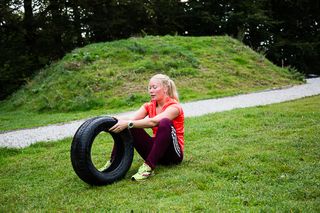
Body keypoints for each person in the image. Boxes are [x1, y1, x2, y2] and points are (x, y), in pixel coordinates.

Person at [106, 74, 184, 181]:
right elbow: (132, 119)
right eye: (149, 88)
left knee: (165, 122)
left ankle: (148, 167)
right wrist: (113, 119)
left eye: (154, 87)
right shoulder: (148, 106)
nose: (151, 91)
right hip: (157, 152)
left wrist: (129, 123)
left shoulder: (174, 107)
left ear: (165, 88)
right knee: (128, 125)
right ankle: (113, 163)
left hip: (173, 155)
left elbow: (154, 122)